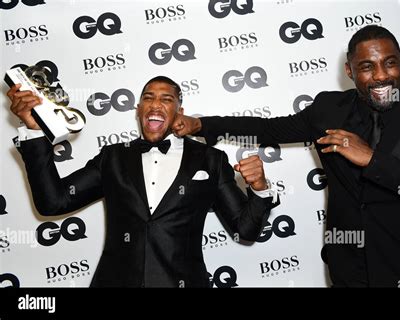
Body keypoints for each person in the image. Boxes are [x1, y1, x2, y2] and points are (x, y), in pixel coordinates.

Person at [172, 25, 400, 287]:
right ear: (350, 72)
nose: (381, 76)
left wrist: (373, 160)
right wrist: (202, 124)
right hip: (350, 270)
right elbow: (268, 129)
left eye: (390, 64)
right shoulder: (329, 109)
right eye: (367, 67)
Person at [7, 76, 278, 287]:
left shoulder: (210, 160)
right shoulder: (113, 157)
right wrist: (33, 130)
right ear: (138, 110)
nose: (155, 104)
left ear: (179, 111)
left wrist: (260, 189)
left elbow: (245, 231)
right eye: (148, 98)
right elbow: (54, 202)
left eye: (166, 99)